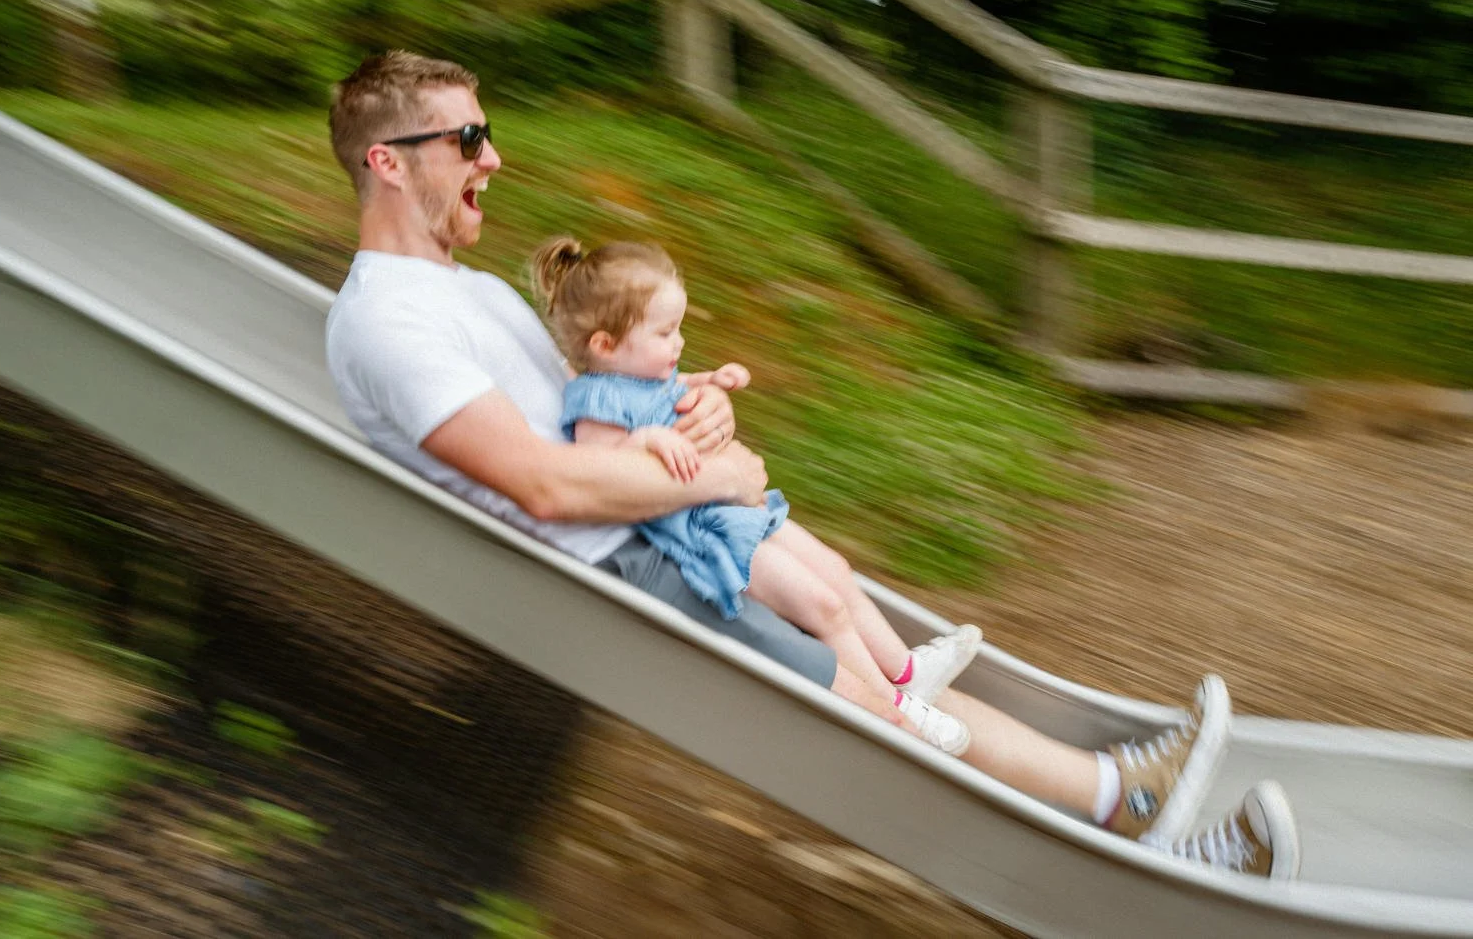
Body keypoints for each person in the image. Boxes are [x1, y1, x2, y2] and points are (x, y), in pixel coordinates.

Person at [320, 49, 1300, 879]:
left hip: (659, 530)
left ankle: (1115, 795)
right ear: (388, 163)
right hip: (620, 577)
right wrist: (723, 477)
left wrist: (691, 411)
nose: (495, 155)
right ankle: (1155, 872)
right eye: (467, 140)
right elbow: (540, 483)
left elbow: (584, 416)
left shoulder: (472, 294)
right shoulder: (389, 321)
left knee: (886, 679)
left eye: (485, 133)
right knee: (879, 725)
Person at [530, 235, 984, 728]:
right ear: (606, 345)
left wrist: (713, 380)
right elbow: (597, 465)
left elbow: (675, 387)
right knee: (822, 607)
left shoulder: (642, 373)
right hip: (707, 532)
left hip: (740, 506)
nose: (678, 343)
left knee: (834, 569)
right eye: (665, 333)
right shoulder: (596, 400)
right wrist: (648, 441)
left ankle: (907, 670)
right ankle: (898, 711)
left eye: (678, 328)